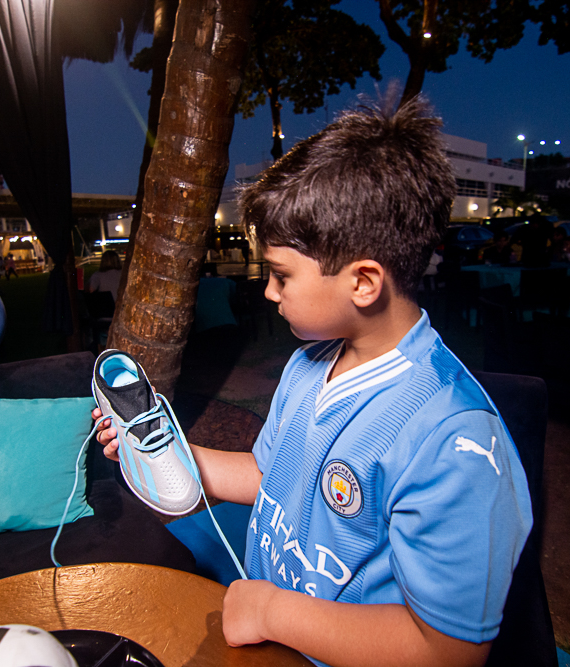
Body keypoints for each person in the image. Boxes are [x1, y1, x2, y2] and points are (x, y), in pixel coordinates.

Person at [93, 94, 532, 667]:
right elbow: (273, 477)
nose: (269, 292)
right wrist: (173, 459)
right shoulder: (307, 366)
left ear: (363, 282)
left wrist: (273, 612)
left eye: (281, 275)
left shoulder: (455, 440)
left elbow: (448, 651)